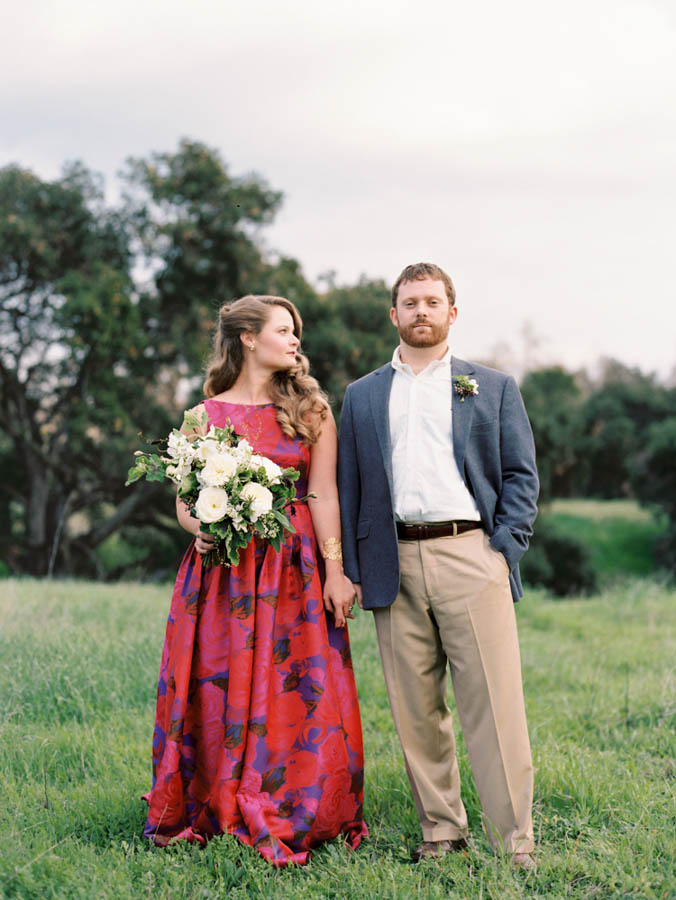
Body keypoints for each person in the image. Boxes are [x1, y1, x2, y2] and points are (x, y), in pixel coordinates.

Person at [143, 295, 368, 866]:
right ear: (247, 338)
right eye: (284, 331)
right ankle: (216, 794)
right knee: (218, 679)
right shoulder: (203, 415)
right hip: (220, 572)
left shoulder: (311, 409)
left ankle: (291, 798)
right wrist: (200, 526)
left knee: (292, 681)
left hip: (293, 568)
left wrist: (335, 571)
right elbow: (185, 501)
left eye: (296, 332)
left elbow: (322, 493)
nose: (296, 341)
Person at [338, 263, 538, 868]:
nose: (420, 311)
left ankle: (516, 841)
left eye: (432, 301)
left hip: (470, 554)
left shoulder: (493, 386)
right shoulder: (362, 394)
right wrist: (350, 566)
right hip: (391, 560)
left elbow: (521, 477)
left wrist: (502, 548)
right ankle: (442, 831)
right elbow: (350, 488)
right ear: (393, 315)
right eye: (409, 302)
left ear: (452, 312)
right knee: (415, 708)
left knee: (494, 706)